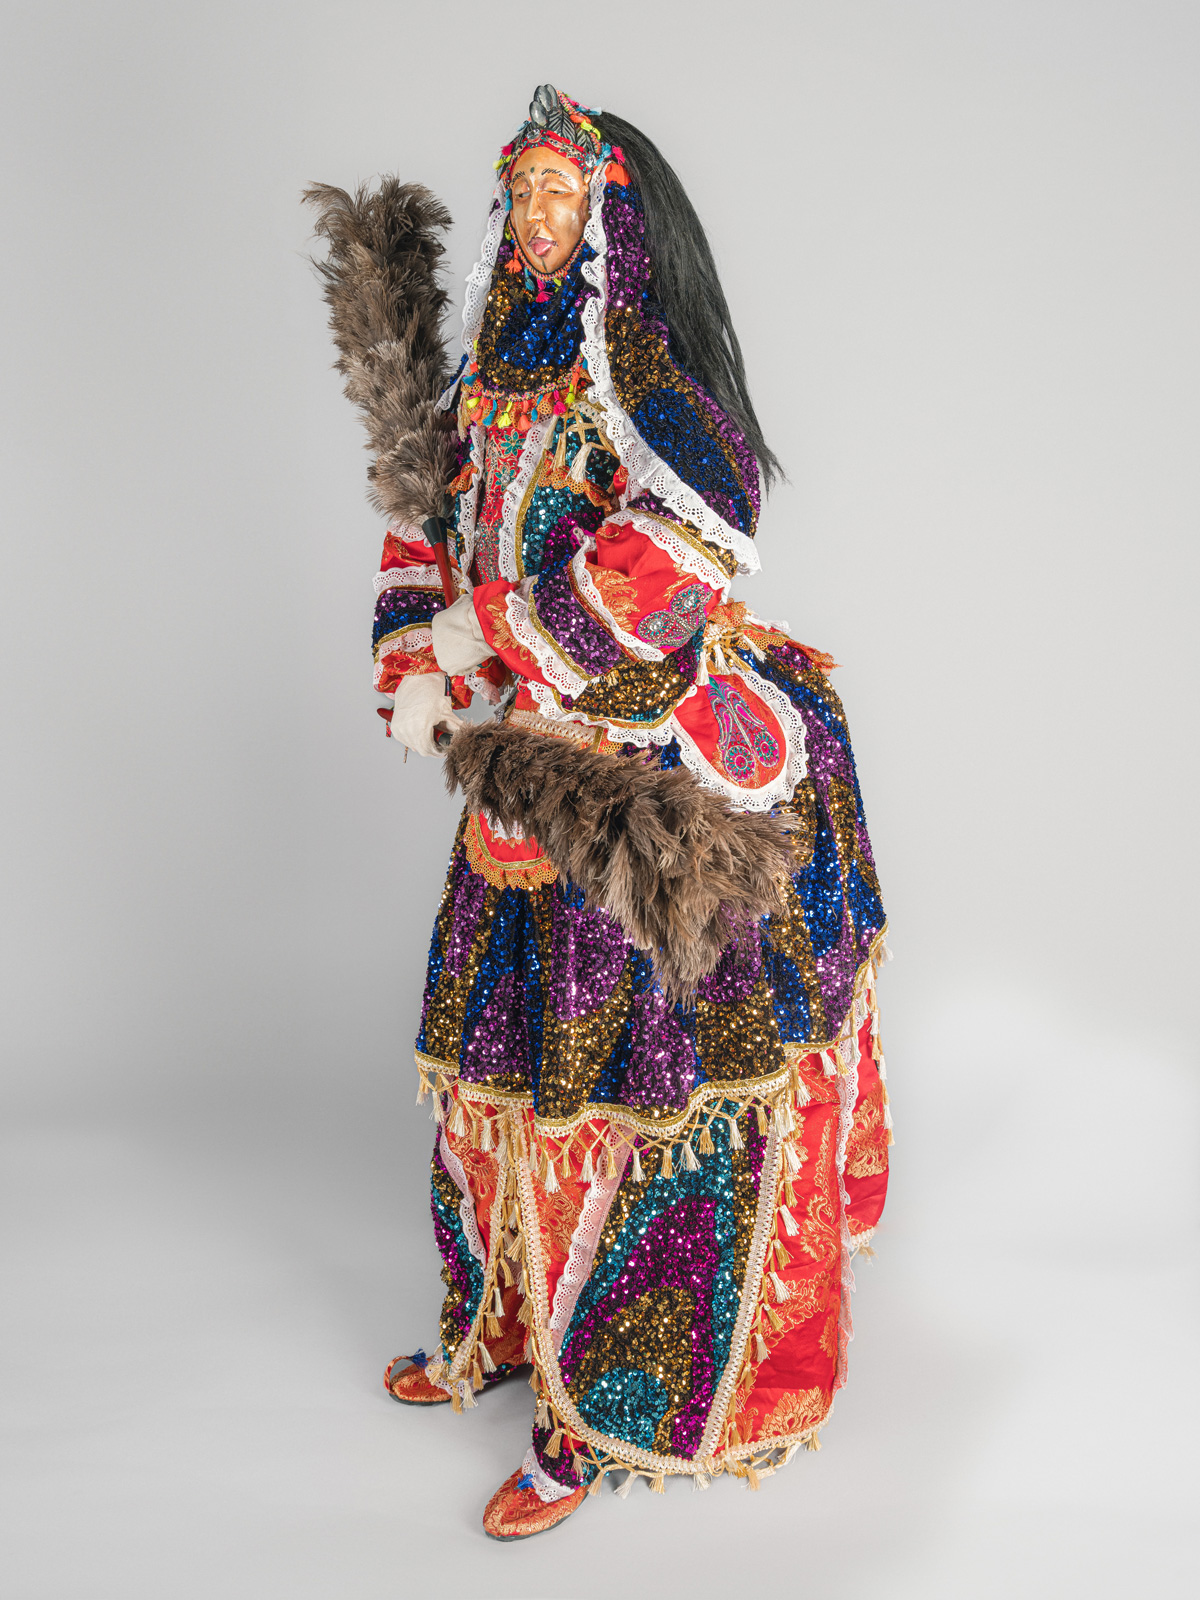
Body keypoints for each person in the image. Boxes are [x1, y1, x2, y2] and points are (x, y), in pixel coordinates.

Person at [316, 85, 891, 1541]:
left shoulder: (645, 387)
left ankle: (600, 1410)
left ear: (611, 217)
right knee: (489, 1069)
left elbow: (685, 549)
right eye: (520, 188)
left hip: (631, 782)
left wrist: (497, 636)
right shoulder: (489, 386)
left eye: (561, 192)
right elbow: (425, 529)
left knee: (622, 1098)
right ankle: (501, 1324)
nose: (533, 212)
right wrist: (417, 658)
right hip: (516, 774)